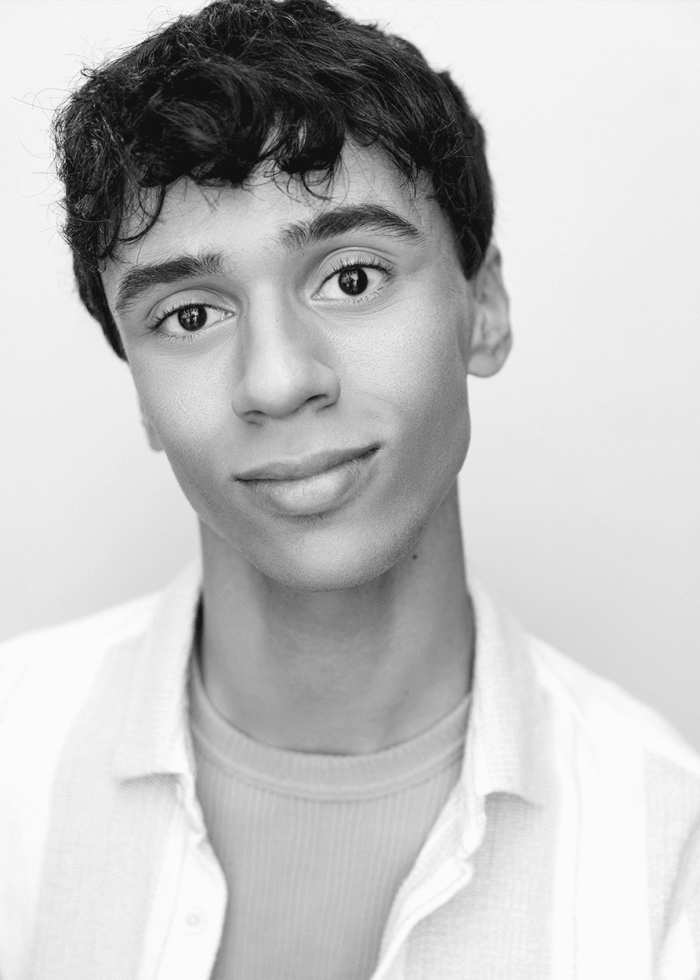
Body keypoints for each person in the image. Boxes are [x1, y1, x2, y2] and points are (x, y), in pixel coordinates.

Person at [0, 0, 698, 977]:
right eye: (191, 311)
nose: (278, 379)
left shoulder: (667, 848)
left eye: (354, 277)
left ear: (483, 308)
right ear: (140, 394)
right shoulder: (12, 756)